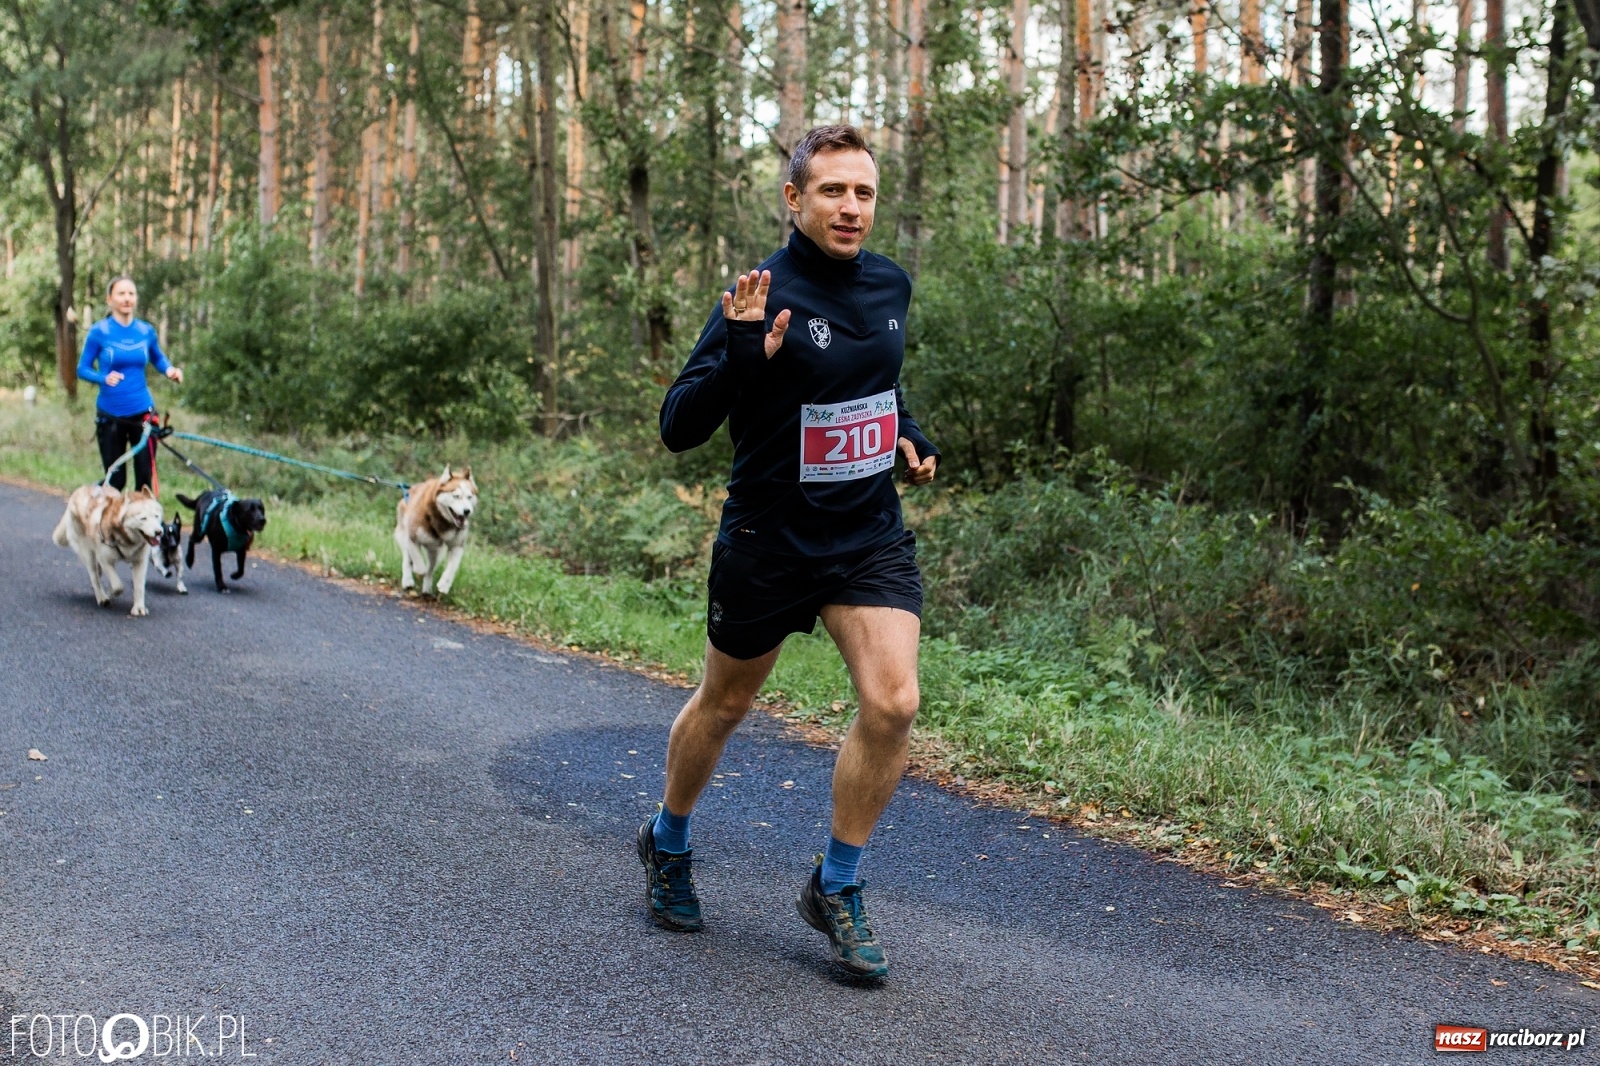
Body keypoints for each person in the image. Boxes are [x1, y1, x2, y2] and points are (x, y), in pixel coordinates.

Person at [639, 124, 940, 979]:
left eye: (865, 193)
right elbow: (678, 427)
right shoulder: (756, 295)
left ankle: (835, 887)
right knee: (723, 704)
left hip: (865, 537)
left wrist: (908, 437)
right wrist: (743, 353)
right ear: (794, 199)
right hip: (767, 540)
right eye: (834, 191)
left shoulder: (891, 285)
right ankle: (668, 840)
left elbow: (879, 387)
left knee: (894, 702)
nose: (851, 208)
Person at [77, 276, 183, 492]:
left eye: (131, 294)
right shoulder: (99, 332)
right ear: (110, 299)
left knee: (144, 481)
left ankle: (138, 525)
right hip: (111, 416)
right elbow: (82, 369)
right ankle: (88, 501)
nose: (127, 298)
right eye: (121, 294)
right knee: (116, 482)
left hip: (143, 414)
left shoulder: (145, 331)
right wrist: (103, 378)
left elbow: (158, 358)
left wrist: (170, 370)